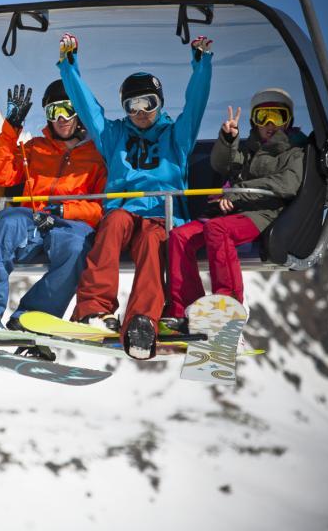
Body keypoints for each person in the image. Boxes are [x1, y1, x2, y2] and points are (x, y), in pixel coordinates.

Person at [58, 32, 213, 359]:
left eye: (148, 103)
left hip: (160, 215)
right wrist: (69, 67)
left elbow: (195, 107)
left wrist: (201, 66)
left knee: (152, 244)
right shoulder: (113, 136)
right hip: (124, 212)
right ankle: (94, 309)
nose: (141, 112)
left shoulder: (176, 137)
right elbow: (88, 109)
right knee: (112, 222)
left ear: (160, 103)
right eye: (132, 106)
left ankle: (142, 321)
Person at [0, 80, 107, 358]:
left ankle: (32, 318)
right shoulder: (35, 148)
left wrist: (66, 212)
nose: (61, 118)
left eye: (67, 110)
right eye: (53, 111)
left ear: (79, 113)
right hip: (32, 218)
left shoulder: (96, 156)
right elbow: (1, 174)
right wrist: (11, 127)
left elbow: (102, 207)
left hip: (70, 223)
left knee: (77, 248)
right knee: (8, 221)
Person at [165, 88, 305, 324]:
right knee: (180, 236)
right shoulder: (249, 148)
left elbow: (287, 184)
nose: (270, 123)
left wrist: (238, 194)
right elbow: (222, 165)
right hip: (230, 212)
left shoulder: (295, 151)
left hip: (263, 213)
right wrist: (228, 139)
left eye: (277, 116)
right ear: (254, 121)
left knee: (217, 230)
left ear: (288, 120)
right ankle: (184, 310)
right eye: (263, 117)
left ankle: (228, 304)